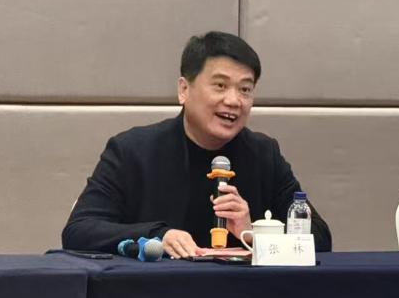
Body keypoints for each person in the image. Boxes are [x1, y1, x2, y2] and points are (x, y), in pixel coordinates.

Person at [62, 31, 331, 257]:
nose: (233, 101)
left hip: (243, 297)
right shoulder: (133, 151)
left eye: (245, 89)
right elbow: (79, 230)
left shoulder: (264, 154)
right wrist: (158, 235)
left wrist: (253, 233)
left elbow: (319, 238)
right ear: (184, 90)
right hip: (156, 296)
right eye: (220, 86)